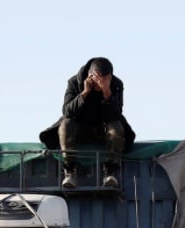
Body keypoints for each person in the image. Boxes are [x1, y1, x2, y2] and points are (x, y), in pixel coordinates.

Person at [38, 57, 135, 189]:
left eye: (104, 80)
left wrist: (107, 93)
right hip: (79, 129)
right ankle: (70, 171)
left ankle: (110, 172)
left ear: (110, 77)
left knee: (116, 127)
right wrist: (85, 93)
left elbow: (116, 115)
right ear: (90, 75)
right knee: (65, 125)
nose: (99, 84)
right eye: (97, 80)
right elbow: (67, 111)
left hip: (103, 130)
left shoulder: (116, 84)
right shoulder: (74, 82)